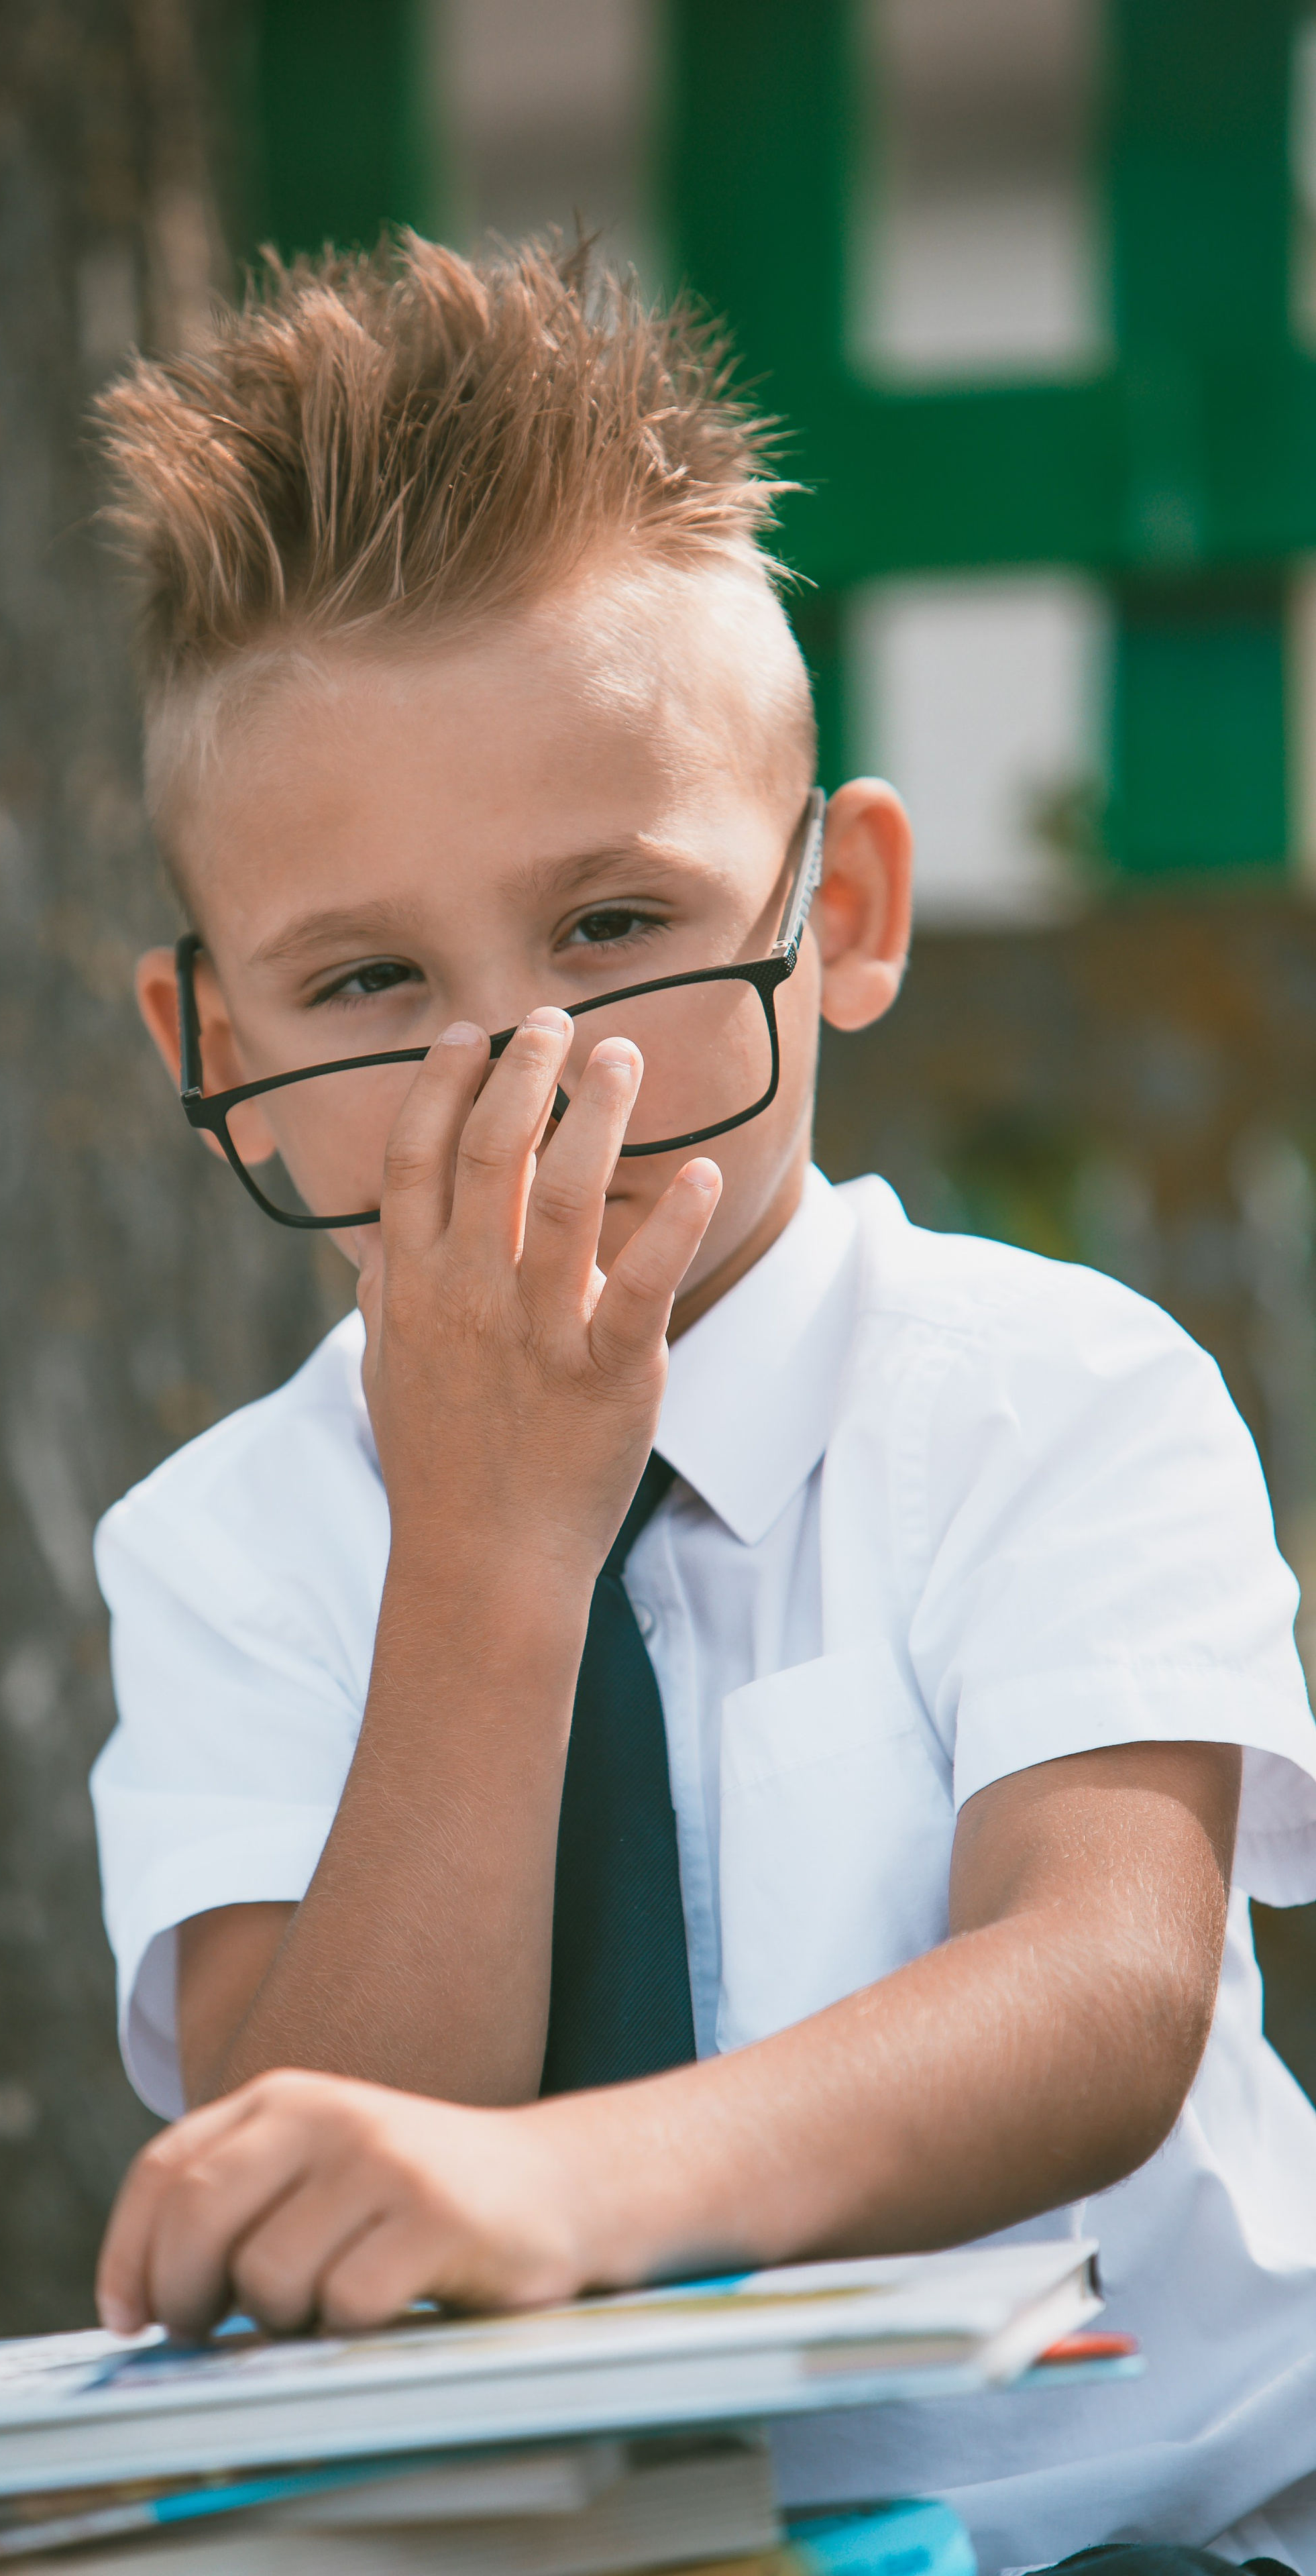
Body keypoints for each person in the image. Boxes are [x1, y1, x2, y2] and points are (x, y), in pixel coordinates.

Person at [83, 235, 1316, 2576]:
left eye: (614, 928)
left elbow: (1099, 1992)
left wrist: (568, 2183)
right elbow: (320, 2155)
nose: (519, 1070)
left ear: (839, 903)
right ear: (215, 1052)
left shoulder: (1048, 1396)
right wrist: (484, 1551)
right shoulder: (228, 1553)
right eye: (367, 978)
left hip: (1153, 2536)